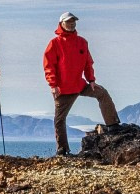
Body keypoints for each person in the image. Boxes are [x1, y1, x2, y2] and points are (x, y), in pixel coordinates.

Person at [42, 12, 121, 156]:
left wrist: (91, 80)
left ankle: (113, 125)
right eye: (69, 21)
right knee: (59, 119)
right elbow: (49, 66)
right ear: (61, 24)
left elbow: (87, 62)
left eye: (73, 21)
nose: (72, 24)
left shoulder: (82, 42)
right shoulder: (54, 43)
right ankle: (62, 149)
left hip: (80, 84)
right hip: (63, 89)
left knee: (102, 93)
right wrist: (53, 85)